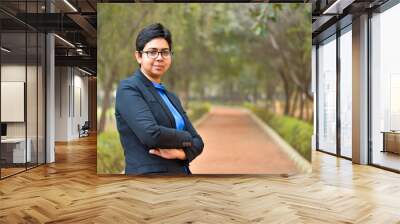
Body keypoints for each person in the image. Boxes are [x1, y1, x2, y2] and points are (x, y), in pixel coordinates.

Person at [115, 23, 204, 175]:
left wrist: (181, 154)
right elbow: (152, 135)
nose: (159, 57)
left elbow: (199, 142)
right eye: (152, 52)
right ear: (138, 56)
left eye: (165, 52)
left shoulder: (171, 97)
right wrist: (187, 137)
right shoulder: (129, 89)